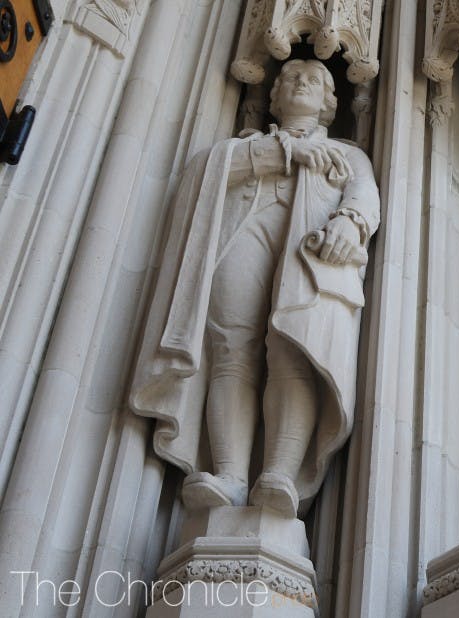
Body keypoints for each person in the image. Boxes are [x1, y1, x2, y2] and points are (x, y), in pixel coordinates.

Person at [130, 59, 380, 518]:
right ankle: (230, 474)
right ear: (273, 96)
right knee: (231, 350)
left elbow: (364, 196)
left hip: (309, 256)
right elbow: (203, 179)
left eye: (315, 80)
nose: (300, 81)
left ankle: (280, 473)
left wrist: (350, 222)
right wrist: (286, 153)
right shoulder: (241, 147)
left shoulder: (348, 154)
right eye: (288, 77)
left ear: (331, 102)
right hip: (242, 238)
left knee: (293, 351)